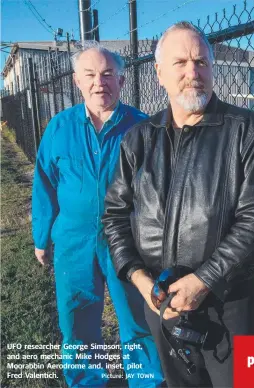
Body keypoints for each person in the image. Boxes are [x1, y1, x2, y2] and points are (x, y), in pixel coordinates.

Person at [102, 21, 254, 387]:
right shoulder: (138, 140)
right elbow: (115, 214)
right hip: (160, 301)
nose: (193, 73)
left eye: (201, 62)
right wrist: (139, 280)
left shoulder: (246, 130)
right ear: (160, 74)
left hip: (227, 301)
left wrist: (204, 280)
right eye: (181, 63)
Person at [32, 41, 164, 386]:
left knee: (137, 316)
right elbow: (44, 183)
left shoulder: (141, 127)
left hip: (126, 240)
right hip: (73, 240)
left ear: (121, 80)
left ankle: (146, 380)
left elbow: (159, 190)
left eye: (107, 74)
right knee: (77, 316)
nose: (98, 82)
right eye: (90, 74)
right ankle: (88, 380)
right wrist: (41, 238)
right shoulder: (59, 128)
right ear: (77, 81)